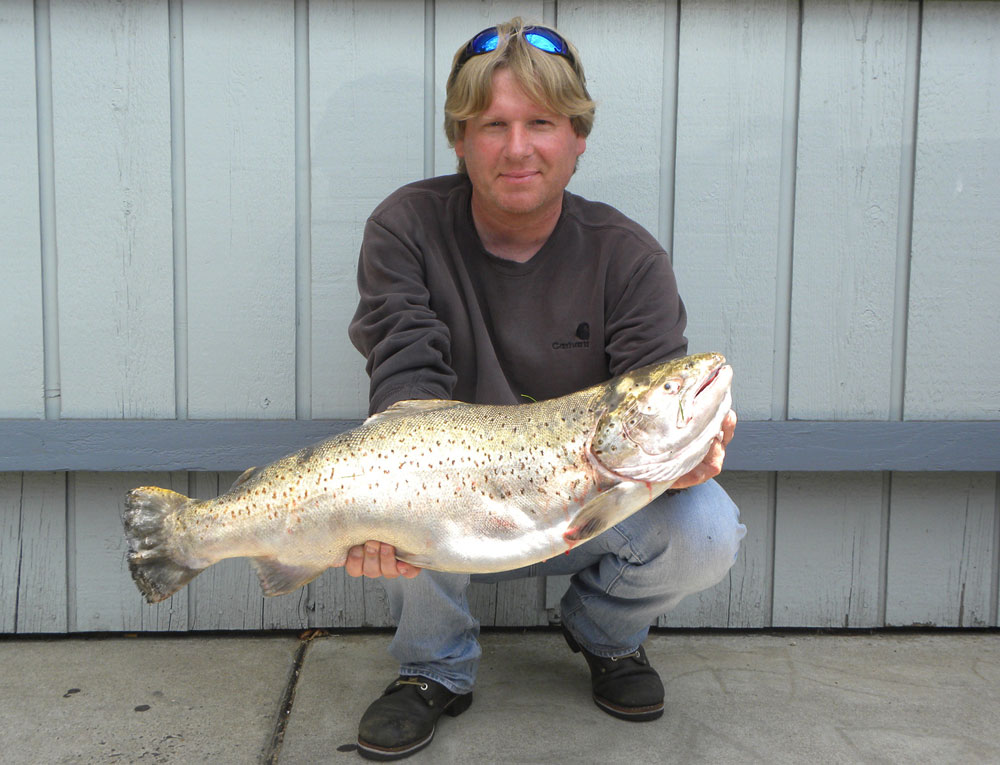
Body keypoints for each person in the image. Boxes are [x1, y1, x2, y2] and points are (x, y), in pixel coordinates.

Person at [346, 18, 745, 761]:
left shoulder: (628, 257)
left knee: (709, 527)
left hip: (589, 496)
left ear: (578, 137)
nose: (519, 147)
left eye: (542, 123)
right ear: (459, 139)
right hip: (452, 491)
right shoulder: (404, 228)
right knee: (397, 483)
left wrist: (692, 451)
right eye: (492, 125)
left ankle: (606, 636)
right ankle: (432, 666)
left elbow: (655, 395)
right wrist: (370, 516)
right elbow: (403, 384)